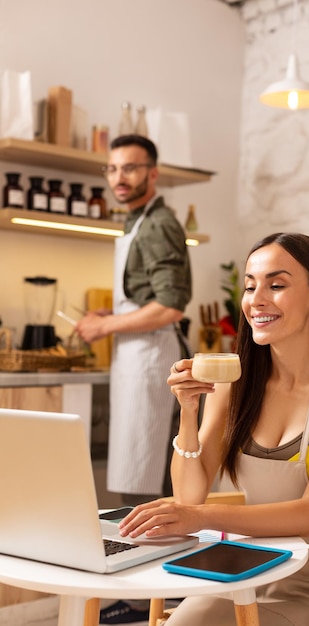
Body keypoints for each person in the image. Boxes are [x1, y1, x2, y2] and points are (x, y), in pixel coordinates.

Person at [118, 232, 309, 626]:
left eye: (276, 285)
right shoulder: (235, 384)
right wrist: (188, 411)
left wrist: (201, 517)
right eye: (249, 286)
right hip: (247, 575)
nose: (256, 299)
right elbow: (190, 493)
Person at [75, 134, 192, 506]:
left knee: (150, 472)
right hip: (136, 356)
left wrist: (104, 326)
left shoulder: (158, 224)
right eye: (112, 169)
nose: (118, 178)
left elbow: (171, 306)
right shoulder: (135, 222)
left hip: (153, 359)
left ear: (152, 173)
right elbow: (151, 297)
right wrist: (115, 314)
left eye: (130, 168)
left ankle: (162, 555)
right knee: (136, 468)